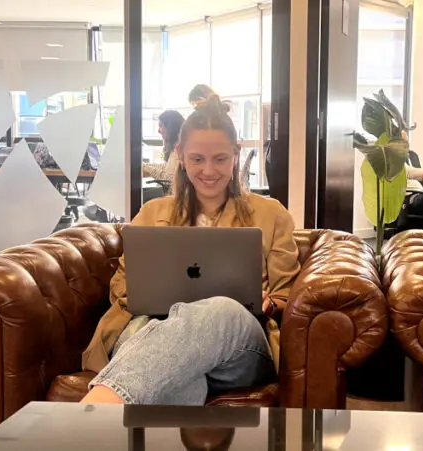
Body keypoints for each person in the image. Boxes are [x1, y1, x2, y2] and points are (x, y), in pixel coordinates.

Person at [79, 95, 301, 405]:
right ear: (181, 155)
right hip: (155, 329)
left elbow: (287, 293)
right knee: (181, 377)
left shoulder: (271, 214)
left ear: (236, 155)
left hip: (237, 345)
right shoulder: (152, 212)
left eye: (220, 159)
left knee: (222, 309)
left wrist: (269, 303)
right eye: (198, 159)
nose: (209, 170)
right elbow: (121, 286)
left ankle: (93, 413)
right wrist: (157, 296)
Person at [142, 110, 185, 183]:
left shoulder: (180, 149)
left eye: (161, 126)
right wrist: (145, 166)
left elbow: (167, 178)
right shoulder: (174, 147)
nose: (158, 130)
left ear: (170, 128)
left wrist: (146, 168)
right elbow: (166, 167)